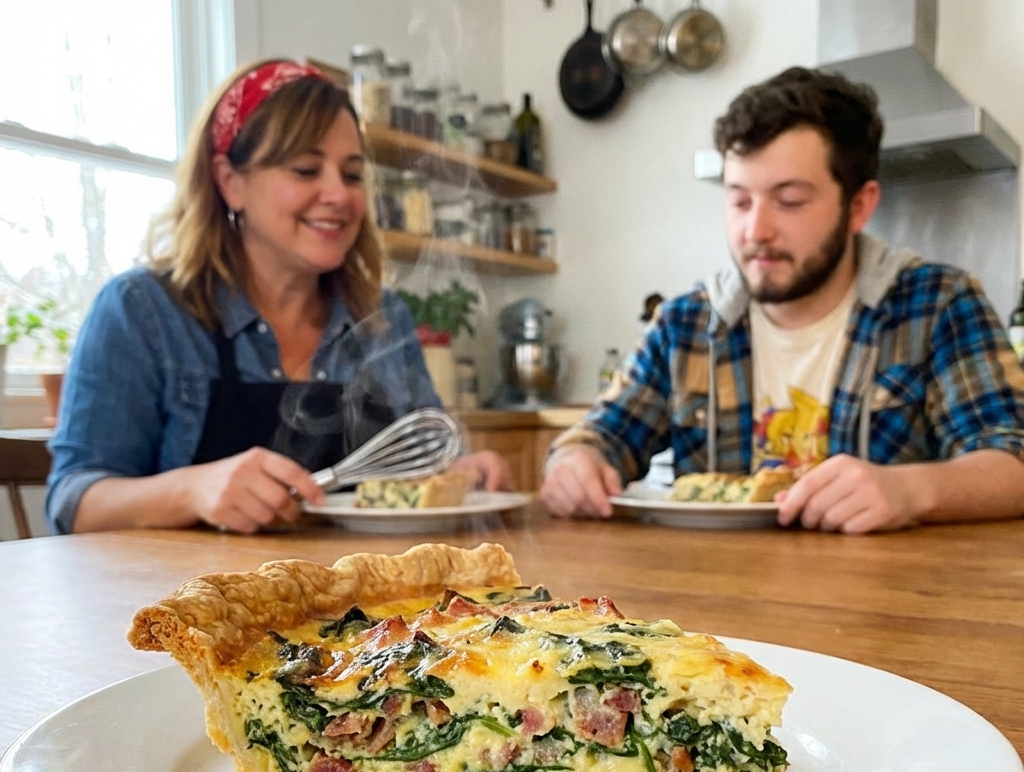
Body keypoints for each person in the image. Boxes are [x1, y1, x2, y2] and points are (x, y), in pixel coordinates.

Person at [541, 67, 1024, 533]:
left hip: (888, 602)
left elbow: (1013, 460)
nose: (756, 231)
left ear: (859, 206)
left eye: (789, 201)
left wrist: (908, 489)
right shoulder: (685, 323)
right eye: (739, 200)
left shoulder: (938, 304)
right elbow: (599, 437)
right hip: (713, 599)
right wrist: (575, 462)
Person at [47, 59, 511, 535]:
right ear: (231, 182)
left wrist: (461, 473)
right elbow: (73, 503)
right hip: (193, 602)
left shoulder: (381, 319)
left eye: (352, 175)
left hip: (365, 603)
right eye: (306, 169)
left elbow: (424, 455)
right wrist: (192, 490)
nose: (338, 195)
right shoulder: (141, 311)